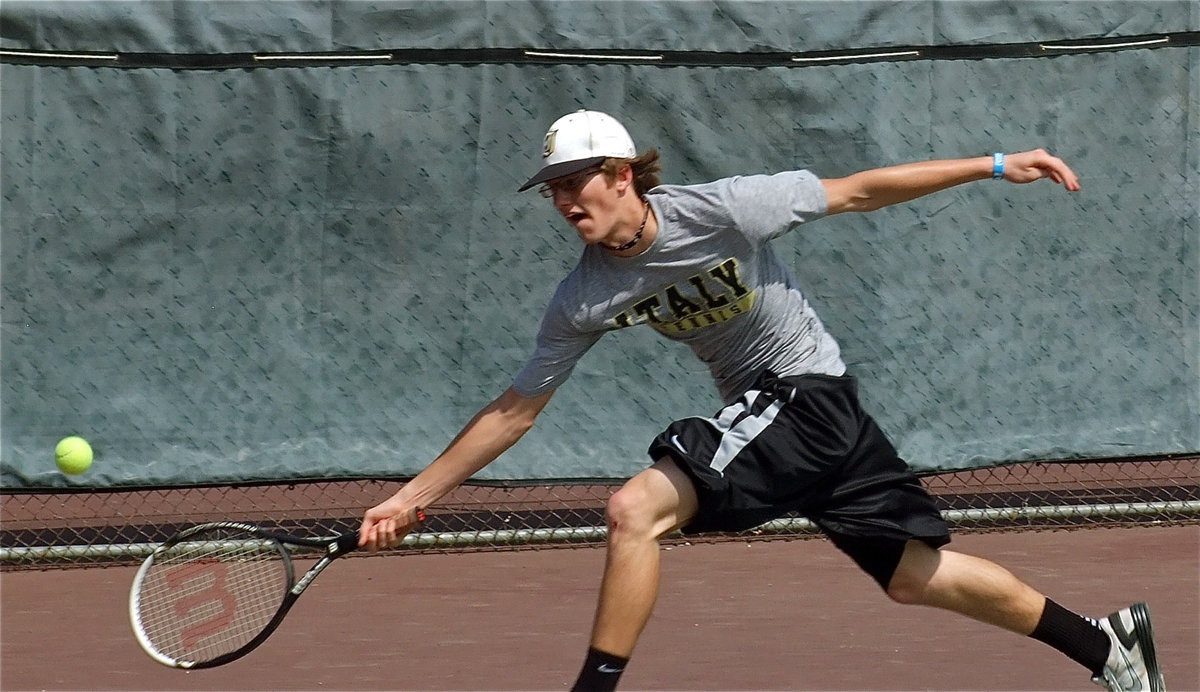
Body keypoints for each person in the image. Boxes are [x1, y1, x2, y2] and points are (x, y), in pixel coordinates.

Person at [358, 110, 1165, 692]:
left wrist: (993, 163)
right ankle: (1102, 646)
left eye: (577, 183)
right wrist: (411, 497)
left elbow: (857, 191)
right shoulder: (585, 296)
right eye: (553, 191)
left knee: (635, 510)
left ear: (623, 175)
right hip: (803, 418)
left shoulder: (723, 209)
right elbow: (515, 410)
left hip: (805, 394)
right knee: (915, 578)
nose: (566, 202)